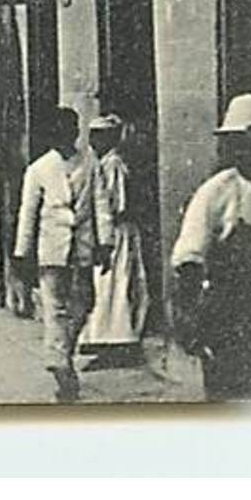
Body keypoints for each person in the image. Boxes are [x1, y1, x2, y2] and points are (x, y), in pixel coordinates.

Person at [171, 93, 251, 401]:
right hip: (229, 315)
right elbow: (189, 258)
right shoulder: (218, 191)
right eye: (240, 141)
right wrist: (192, 318)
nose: (250, 150)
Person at [12, 106, 113, 402]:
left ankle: (61, 355)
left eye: (70, 129)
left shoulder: (90, 163)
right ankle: (62, 366)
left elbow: (102, 204)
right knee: (55, 309)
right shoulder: (39, 169)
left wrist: (104, 244)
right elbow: (27, 214)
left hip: (82, 248)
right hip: (52, 251)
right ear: (52, 134)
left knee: (84, 304)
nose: (65, 135)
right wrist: (22, 254)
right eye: (59, 130)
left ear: (75, 131)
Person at [81, 114, 149, 363]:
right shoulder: (99, 163)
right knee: (106, 285)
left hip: (118, 232)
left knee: (118, 283)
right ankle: (103, 338)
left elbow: (116, 204)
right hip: (105, 232)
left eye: (98, 136)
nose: (93, 142)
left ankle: (119, 341)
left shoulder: (114, 164)